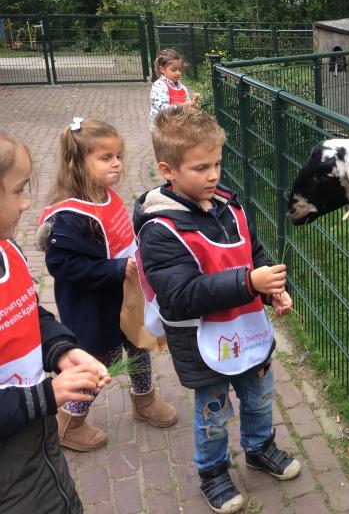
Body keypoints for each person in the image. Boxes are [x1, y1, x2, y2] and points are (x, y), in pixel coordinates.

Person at [134, 105, 300, 514]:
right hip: (203, 342)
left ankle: (260, 449)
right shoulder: (160, 230)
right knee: (213, 411)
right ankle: (212, 471)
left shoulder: (229, 204)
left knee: (260, 396)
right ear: (167, 169)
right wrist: (248, 283)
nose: (213, 175)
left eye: (217, 164)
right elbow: (179, 295)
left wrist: (272, 289)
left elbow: (251, 251)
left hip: (249, 327)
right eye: (200, 167)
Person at [37, 117, 178, 452]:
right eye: (106, 158)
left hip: (124, 299)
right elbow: (62, 264)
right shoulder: (70, 217)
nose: (116, 163)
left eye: (118, 156)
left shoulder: (106, 196)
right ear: (77, 164)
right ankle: (69, 422)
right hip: (94, 310)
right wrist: (114, 269)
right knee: (98, 364)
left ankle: (144, 401)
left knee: (139, 346)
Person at [0, 131, 111, 513]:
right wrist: (46, 396)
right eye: (17, 191)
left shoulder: (6, 249)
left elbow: (27, 312)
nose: (27, 202)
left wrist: (62, 350)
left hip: (38, 449)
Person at [150, 48, 200, 127]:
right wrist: (183, 106)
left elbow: (187, 103)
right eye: (174, 70)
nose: (178, 73)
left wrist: (192, 106)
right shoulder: (159, 85)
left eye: (180, 70)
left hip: (179, 126)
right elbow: (163, 110)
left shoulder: (183, 88)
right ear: (162, 69)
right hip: (163, 129)